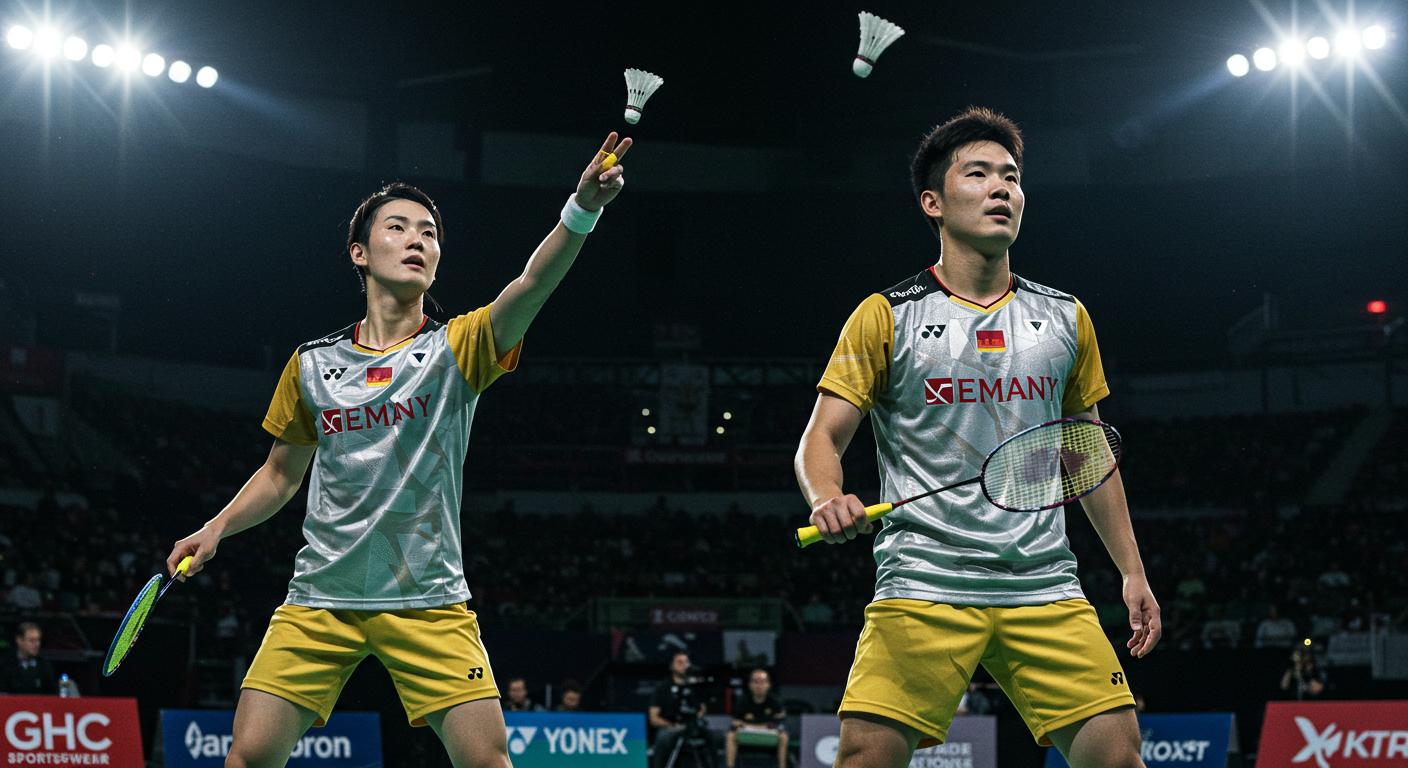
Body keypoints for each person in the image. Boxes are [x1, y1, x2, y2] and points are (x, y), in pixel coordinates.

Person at [164, 133, 632, 768]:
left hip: (428, 600)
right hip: (322, 599)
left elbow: (533, 283)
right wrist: (215, 528)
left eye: (430, 233)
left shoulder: (457, 351)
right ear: (358, 252)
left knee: (487, 761)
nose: (418, 240)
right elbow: (280, 475)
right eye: (399, 227)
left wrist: (582, 210)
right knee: (246, 758)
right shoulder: (312, 366)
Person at [795, 107, 1161, 768]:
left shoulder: (1065, 318)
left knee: (1118, 754)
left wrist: (1131, 569)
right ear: (932, 202)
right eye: (980, 174)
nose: (1002, 188)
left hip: (1043, 582)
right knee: (864, 756)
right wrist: (827, 495)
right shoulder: (886, 316)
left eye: (1012, 177)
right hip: (923, 579)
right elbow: (822, 436)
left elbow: (1091, 457)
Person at [649, 651, 719, 768]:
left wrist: (698, 714)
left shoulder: (696, 687)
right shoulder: (662, 688)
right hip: (671, 726)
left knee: (713, 736)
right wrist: (671, 725)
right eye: (679, 662)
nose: (684, 665)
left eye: (686, 662)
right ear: (671, 666)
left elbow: (701, 709)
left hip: (692, 725)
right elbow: (653, 718)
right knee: (663, 738)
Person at [725, 669, 787, 768]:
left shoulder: (776, 701)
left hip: (768, 733)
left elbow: (777, 723)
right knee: (730, 736)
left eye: (762, 682)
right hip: (748, 733)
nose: (759, 685)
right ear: (750, 684)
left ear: (768, 684)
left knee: (783, 736)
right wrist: (762, 722)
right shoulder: (742, 700)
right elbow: (737, 721)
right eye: (755, 682)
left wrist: (752, 723)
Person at [0, 622, 58, 695]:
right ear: (19, 641)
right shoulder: (5, 664)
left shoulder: (44, 665)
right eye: (32, 640)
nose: (37, 644)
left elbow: (53, 694)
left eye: (38, 640)